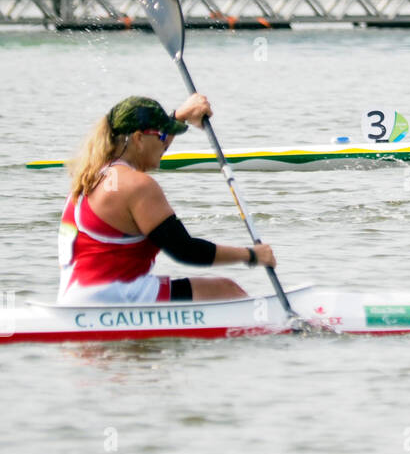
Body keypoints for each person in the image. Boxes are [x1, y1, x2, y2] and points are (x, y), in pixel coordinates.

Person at [58, 95, 274, 304]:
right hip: (116, 299)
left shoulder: (90, 175)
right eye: (161, 136)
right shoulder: (137, 185)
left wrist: (180, 116)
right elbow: (186, 251)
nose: (165, 145)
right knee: (227, 291)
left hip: (78, 298)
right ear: (139, 138)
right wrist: (253, 255)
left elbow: (155, 143)